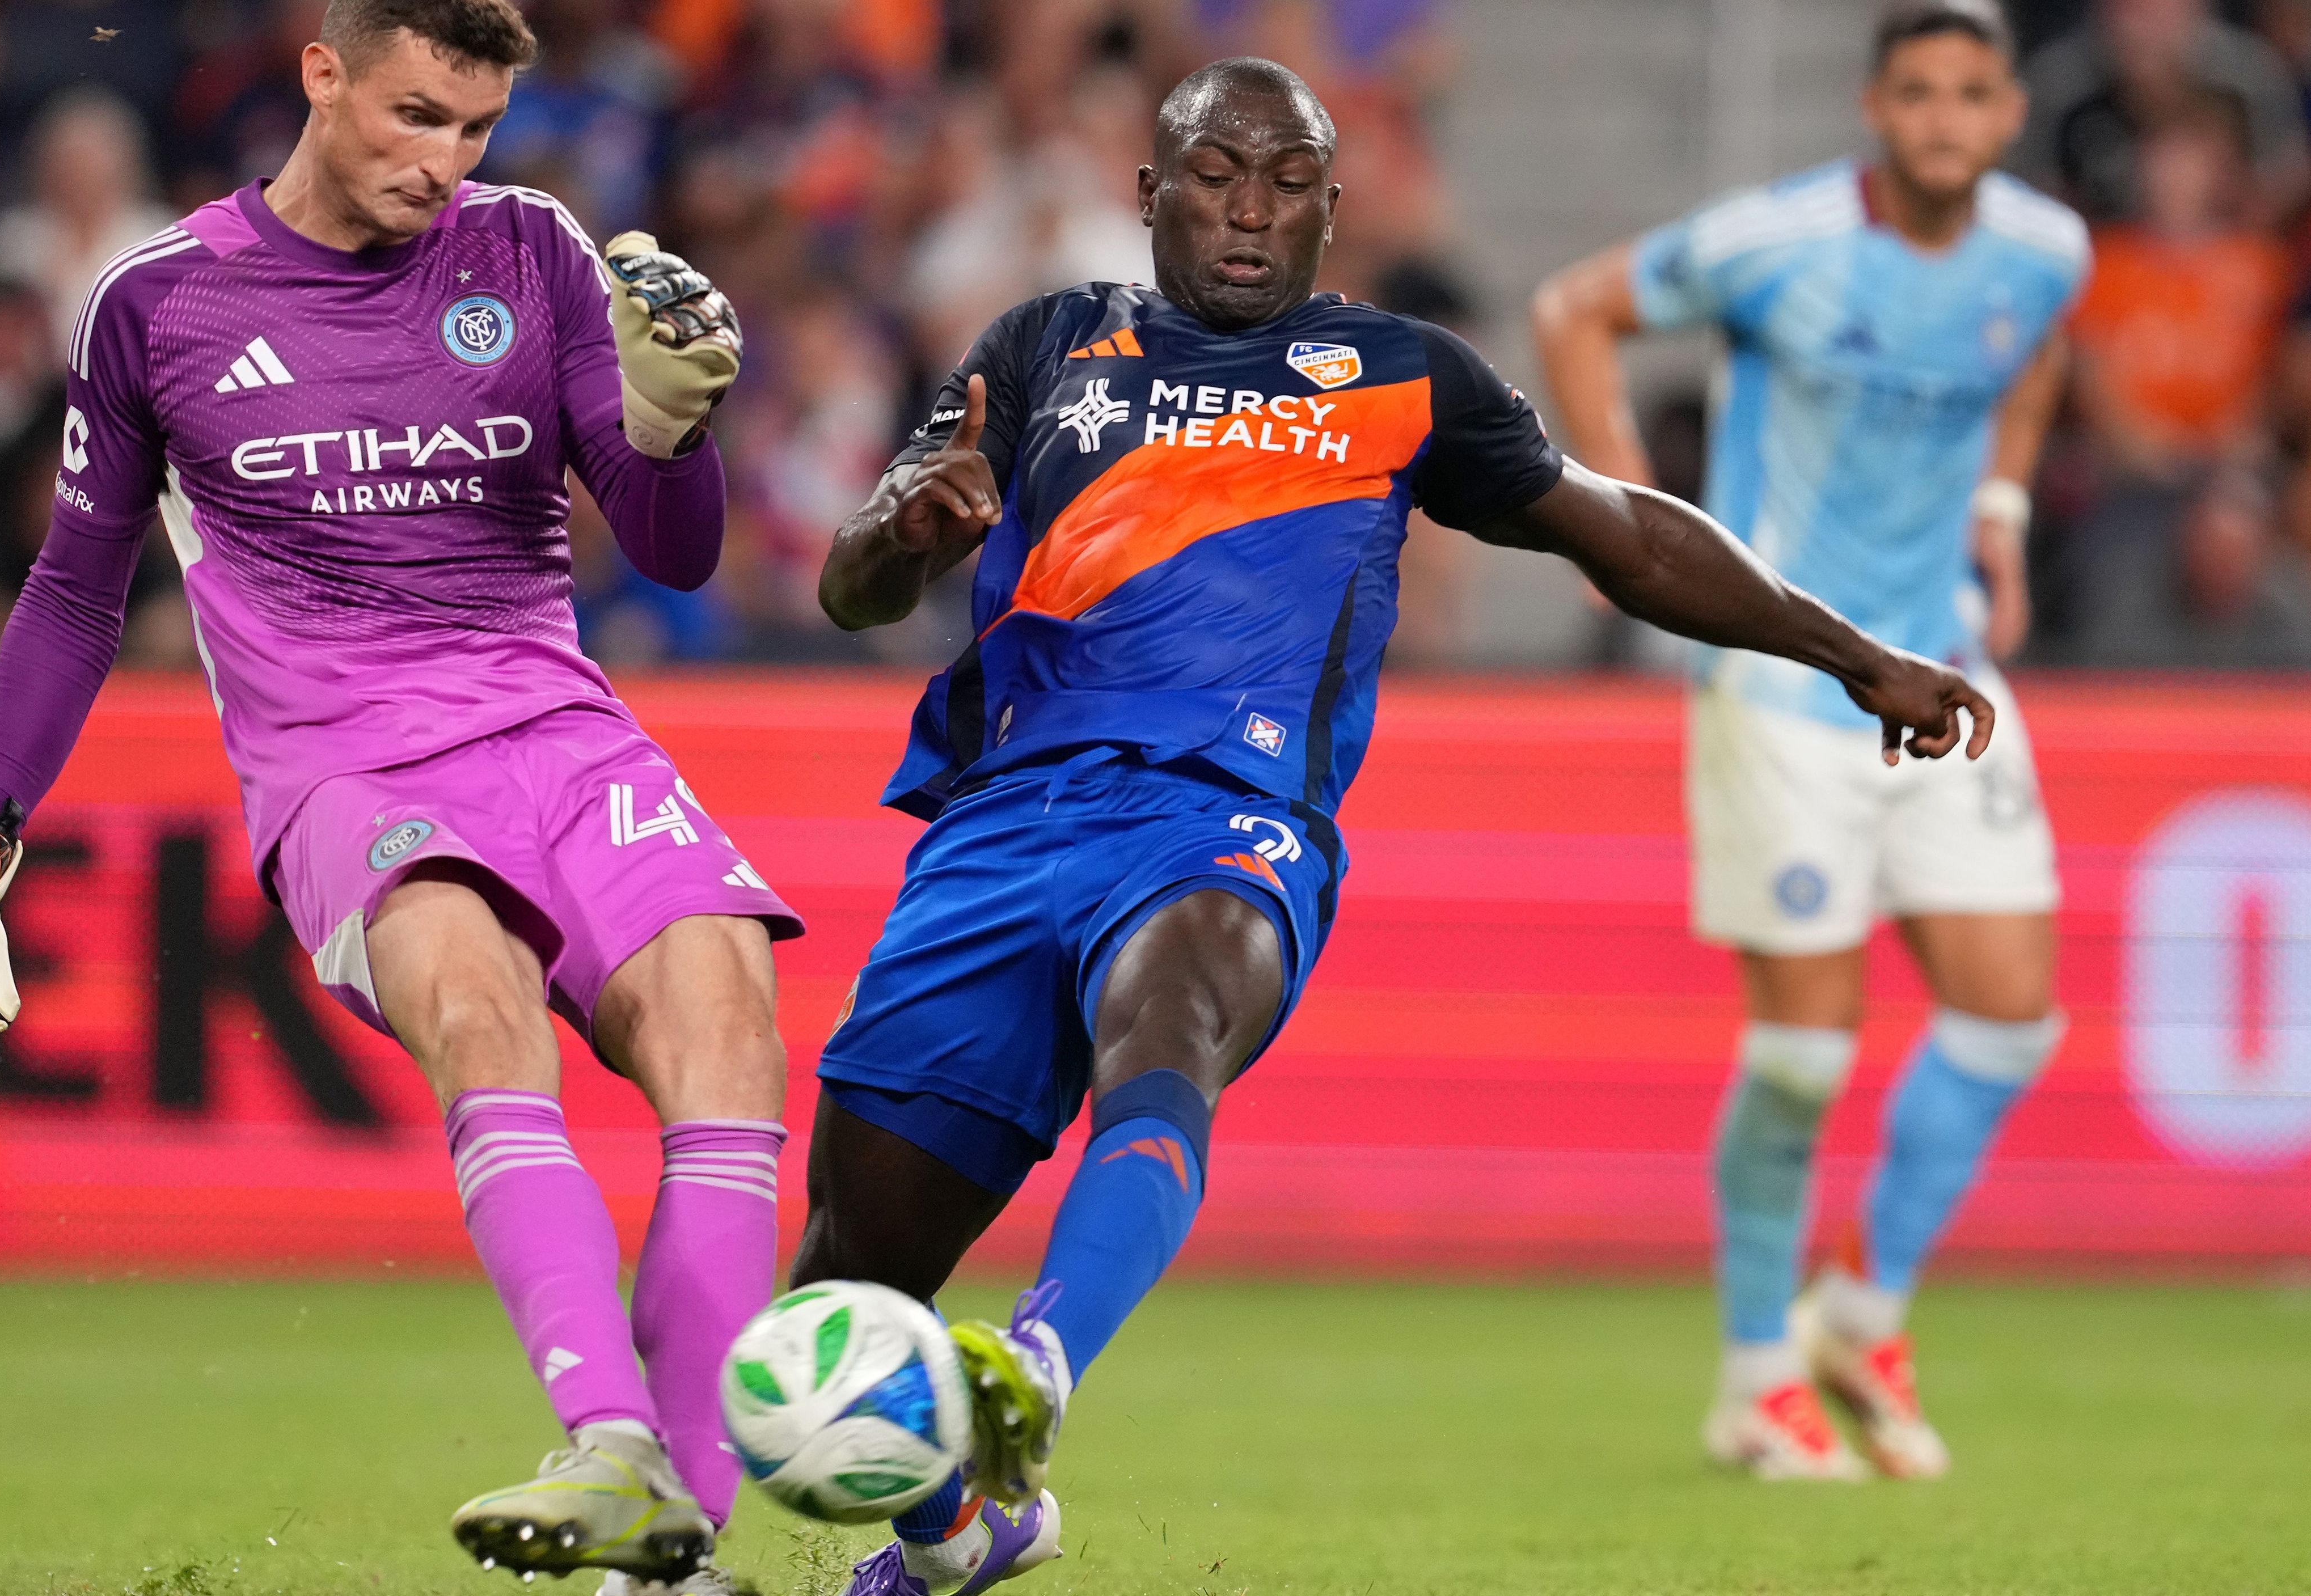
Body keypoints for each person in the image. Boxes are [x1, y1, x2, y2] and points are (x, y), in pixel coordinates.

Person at [800, 53, 1996, 1596]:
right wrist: (904, 527)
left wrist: (1852, 653)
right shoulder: (1044, 345)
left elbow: (1619, 534)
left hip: (1223, 823)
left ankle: (1036, 1366)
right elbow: (855, 584)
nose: (1249, 212)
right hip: (1000, 832)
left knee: (1172, 1019)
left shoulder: (1400, 374)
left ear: (1329, 208)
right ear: (1150, 193)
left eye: (1287, 183)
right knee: (839, 1297)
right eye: (1217, 177)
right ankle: (960, 1529)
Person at [0, 2, 795, 1589]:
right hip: (346, 767)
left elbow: (674, 547)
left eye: (475, 130)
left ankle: (675, 1554)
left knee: (727, 1023)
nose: (444, 164)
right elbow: (76, 593)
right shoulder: (157, 302)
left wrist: (675, 427)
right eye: (415, 116)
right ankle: (615, 1443)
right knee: (475, 998)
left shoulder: (537, 251)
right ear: (323, 72)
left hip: (557, 728)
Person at [1529, 0, 2086, 1481]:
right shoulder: (1772, 243)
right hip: (1790, 685)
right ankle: (1754, 1374)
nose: (1943, 117)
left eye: (1970, 91)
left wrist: (2001, 515)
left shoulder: (2042, 256)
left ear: (2006, 113)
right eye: (1916, 91)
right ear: (1873, 106)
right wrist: (1619, 528)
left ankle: (1860, 1309)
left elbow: (2033, 359)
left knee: (2007, 1017)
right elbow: (1572, 309)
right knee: (1799, 1058)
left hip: (1949, 668)